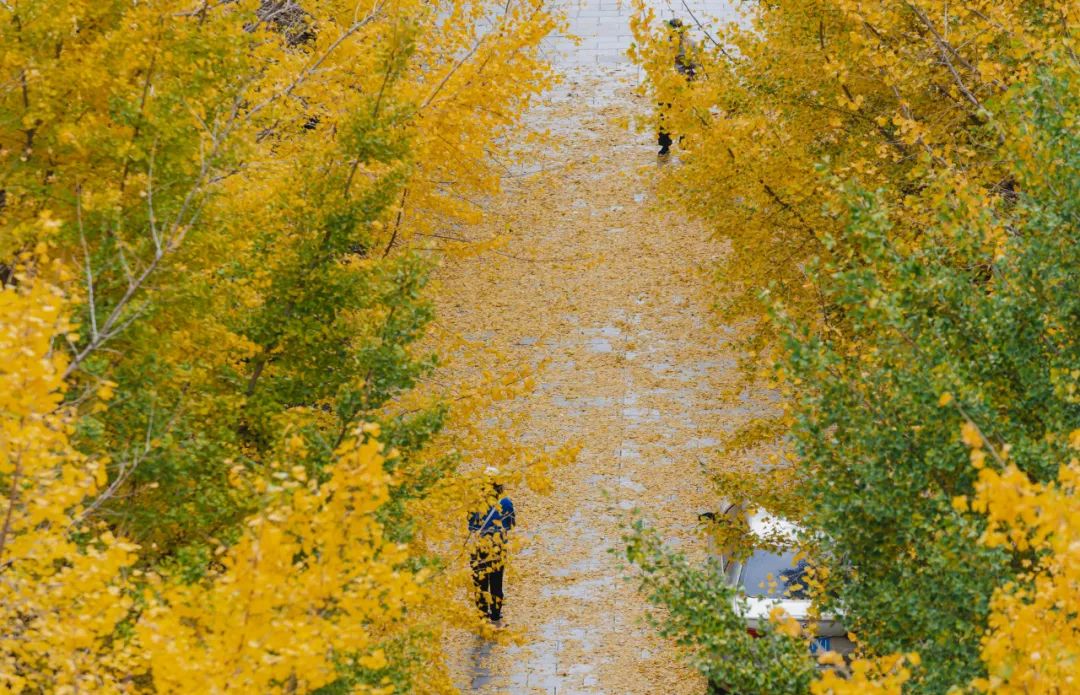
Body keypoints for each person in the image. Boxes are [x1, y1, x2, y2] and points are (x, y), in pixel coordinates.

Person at [467, 467, 516, 624]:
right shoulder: (506, 502)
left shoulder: (475, 502)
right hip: (497, 547)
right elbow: (509, 525)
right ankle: (495, 615)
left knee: (480, 583)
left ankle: (482, 615)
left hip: (478, 547)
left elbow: (471, 525)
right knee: (496, 582)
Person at [658, 18, 699, 157]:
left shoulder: (690, 44)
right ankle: (665, 144)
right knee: (664, 114)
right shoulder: (663, 44)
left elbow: (695, 64)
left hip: (684, 82)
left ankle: (685, 142)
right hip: (667, 83)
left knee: (685, 113)